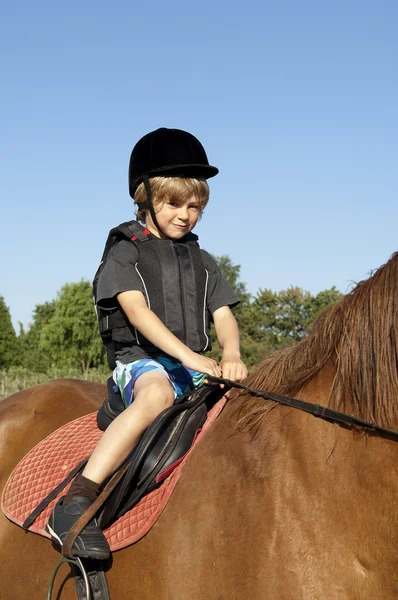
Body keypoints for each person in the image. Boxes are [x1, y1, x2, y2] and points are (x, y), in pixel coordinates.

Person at [46, 127, 248, 559]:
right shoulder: (126, 252)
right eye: (174, 203)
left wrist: (230, 354)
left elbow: (224, 315)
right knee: (155, 392)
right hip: (142, 362)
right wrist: (191, 356)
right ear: (144, 199)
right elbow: (138, 313)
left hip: (191, 366)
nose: (185, 215)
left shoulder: (204, 261)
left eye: (195, 206)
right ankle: (76, 500)